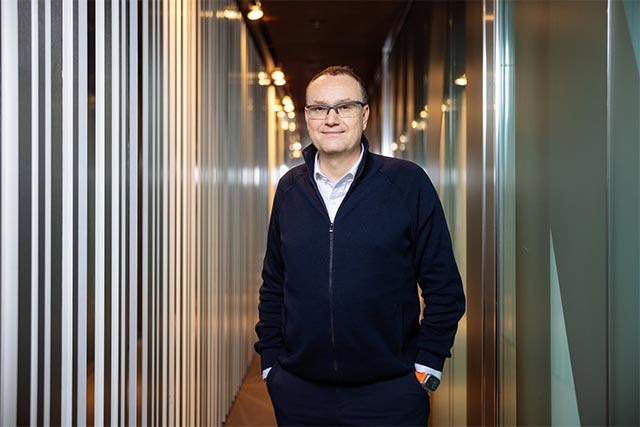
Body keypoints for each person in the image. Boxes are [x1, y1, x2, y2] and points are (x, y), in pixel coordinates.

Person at [255, 65, 465, 426]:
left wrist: (426, 367)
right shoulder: (289, 189)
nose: (331, 119)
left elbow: (444, 287)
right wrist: (272, 365)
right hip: (300, 392)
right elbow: (274, 283)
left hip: (390, 393)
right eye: (319, 108)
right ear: (307, 116)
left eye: (344, 107)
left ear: (364, 114)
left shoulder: (406, 183)